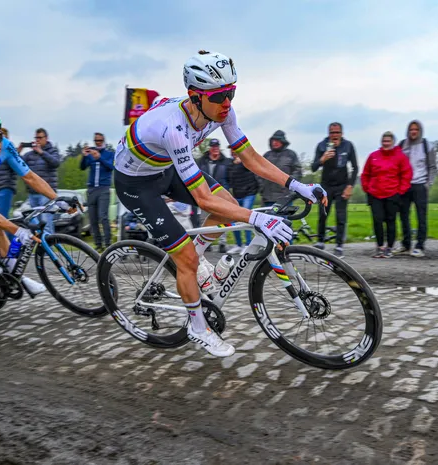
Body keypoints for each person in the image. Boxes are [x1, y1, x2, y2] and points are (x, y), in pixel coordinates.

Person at [113, 50, 326, 357]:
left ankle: (199, 268)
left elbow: (249, 157)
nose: (227, 102)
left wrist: (296, 185)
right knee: (186, 257)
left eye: (232, 92)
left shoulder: (222, 111)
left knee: (227, 202)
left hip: (164, 169)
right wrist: (257, 218)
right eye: (219, 96)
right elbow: (203, 199)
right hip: (136, 184)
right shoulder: (173, 128)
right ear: (195, 96)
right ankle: (197, 327)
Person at [0, 110, 70, 295]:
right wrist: (17, 231)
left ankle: (17, 278)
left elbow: (30, 177)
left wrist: (57, 199)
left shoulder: (5, 147)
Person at [361, 132, 412, 258]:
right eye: (384, 141)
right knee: (377, 220)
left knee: (391, 221)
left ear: (393, 142)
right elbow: (366, 173)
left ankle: (389, 247)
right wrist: (367, 188)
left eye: (388, 141)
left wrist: (401, 190)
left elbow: (406, 174)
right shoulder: (373, 156)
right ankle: (379, 247)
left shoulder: (400, 156)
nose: (386, 143)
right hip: (375, 194)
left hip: (392, 193)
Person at [311, 122, 358, 258]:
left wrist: (350, 186)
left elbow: (355, 167)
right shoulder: (322, 145)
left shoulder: (348, 145)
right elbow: (313, 167)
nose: (335, 135)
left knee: (341, 216)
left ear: (342, 133)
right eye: (332, 133)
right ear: (328, 134)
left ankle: (339, 245)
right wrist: (323, 159)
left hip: (342, 185)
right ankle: (320, 241)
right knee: (323, 214)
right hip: (326, 185)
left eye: (337, 133)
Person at [394, 120, 437, 257]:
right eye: (411, 129)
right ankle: (406, 244)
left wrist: (428, 184)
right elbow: (396, 164)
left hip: (420, 185)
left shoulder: (426, 145)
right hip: (405, 185)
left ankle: (420, 246)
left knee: (421, 216)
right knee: (403, 215)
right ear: (408, 131)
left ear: (420, 131)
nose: (413, 132)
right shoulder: (402, 145)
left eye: (416, 129)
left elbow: (432, 167)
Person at [18, 128, 61, 235]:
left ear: (46, 138)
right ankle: (41, 244)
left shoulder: (52, 151)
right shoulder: (29, 155)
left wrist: (41, 152)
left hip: (46, 193)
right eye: (36, 138)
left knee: (46, 223)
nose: (37, 140)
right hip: (33, 193)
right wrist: (18, 152)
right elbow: (18, 165)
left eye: (40, 138)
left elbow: (55, 163)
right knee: (36, 224)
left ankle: (49, 245)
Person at [80, 133, 115, 252]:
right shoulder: (91, 154)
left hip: (104, 188)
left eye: (100, 140)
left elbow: (111, 167)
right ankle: (98, 244)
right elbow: (82, 167)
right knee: (93, 218)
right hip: (91, 189)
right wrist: (84, 156)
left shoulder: (109, 154)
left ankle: (108, 243)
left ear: (103, 141)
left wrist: (99, 158)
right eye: (96, 141)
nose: (98, 142)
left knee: (103, 217)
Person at [197, 138, 231, 252]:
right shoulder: (202, 161)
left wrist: (226, 191)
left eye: (217, 146)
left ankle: (222, 243)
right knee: (204, 219)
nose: (215, 148)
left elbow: (229, 178)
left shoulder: (225, 161)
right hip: (205, 194)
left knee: (222, 218)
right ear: (210, 148)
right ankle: (205, 244)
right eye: (213, 146)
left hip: (220, 194)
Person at [227, 147, 259, 254]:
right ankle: (238, 245)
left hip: (249, 194)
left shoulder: (246, 161)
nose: (233, 151)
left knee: (245, 218)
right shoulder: (230, 165)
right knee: (234, 219)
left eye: (234, 149)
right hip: (237, 195)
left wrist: (242, 160)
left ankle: (248, 245)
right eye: (231, 150)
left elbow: (253, 168)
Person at [259, 130, 302, 207]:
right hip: (267, 197)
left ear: (283, 142)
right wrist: (262, 187)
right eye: (273, 140)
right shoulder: (267, 155)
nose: (275, 142)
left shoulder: (291, 154)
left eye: (277, 140)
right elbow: (258, 172)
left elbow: (297, 171)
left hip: (285, 197)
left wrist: (289, 184)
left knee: (284, 215)